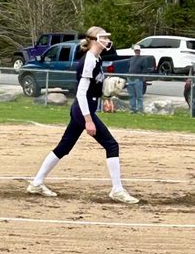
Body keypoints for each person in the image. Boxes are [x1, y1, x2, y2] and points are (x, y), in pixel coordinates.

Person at [27, 27, 138, 203]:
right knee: (112, 145)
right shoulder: (89, 61)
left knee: (64, 147)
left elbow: (93, 88)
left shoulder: (97, 58)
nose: (107, 40)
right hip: (82, 110)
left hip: (83, 108)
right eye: (103, 37)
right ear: (93, 40)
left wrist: (105, 94)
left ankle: (36, 183)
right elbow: (80, 93)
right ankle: (117, 190)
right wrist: (88, 120)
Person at [126, 45, 149, 114]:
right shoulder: (131, 59)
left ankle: (140, 110)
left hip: (138, 79)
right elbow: (128, 67)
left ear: (140, 51)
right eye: (136, 50)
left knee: (139, 96)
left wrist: (142, 77)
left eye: (138, 50)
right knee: (131, 95)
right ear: (134, 51)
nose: (137, 51)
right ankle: (132, 109)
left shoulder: (143, 59)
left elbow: (145, 69)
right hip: (130, 79)